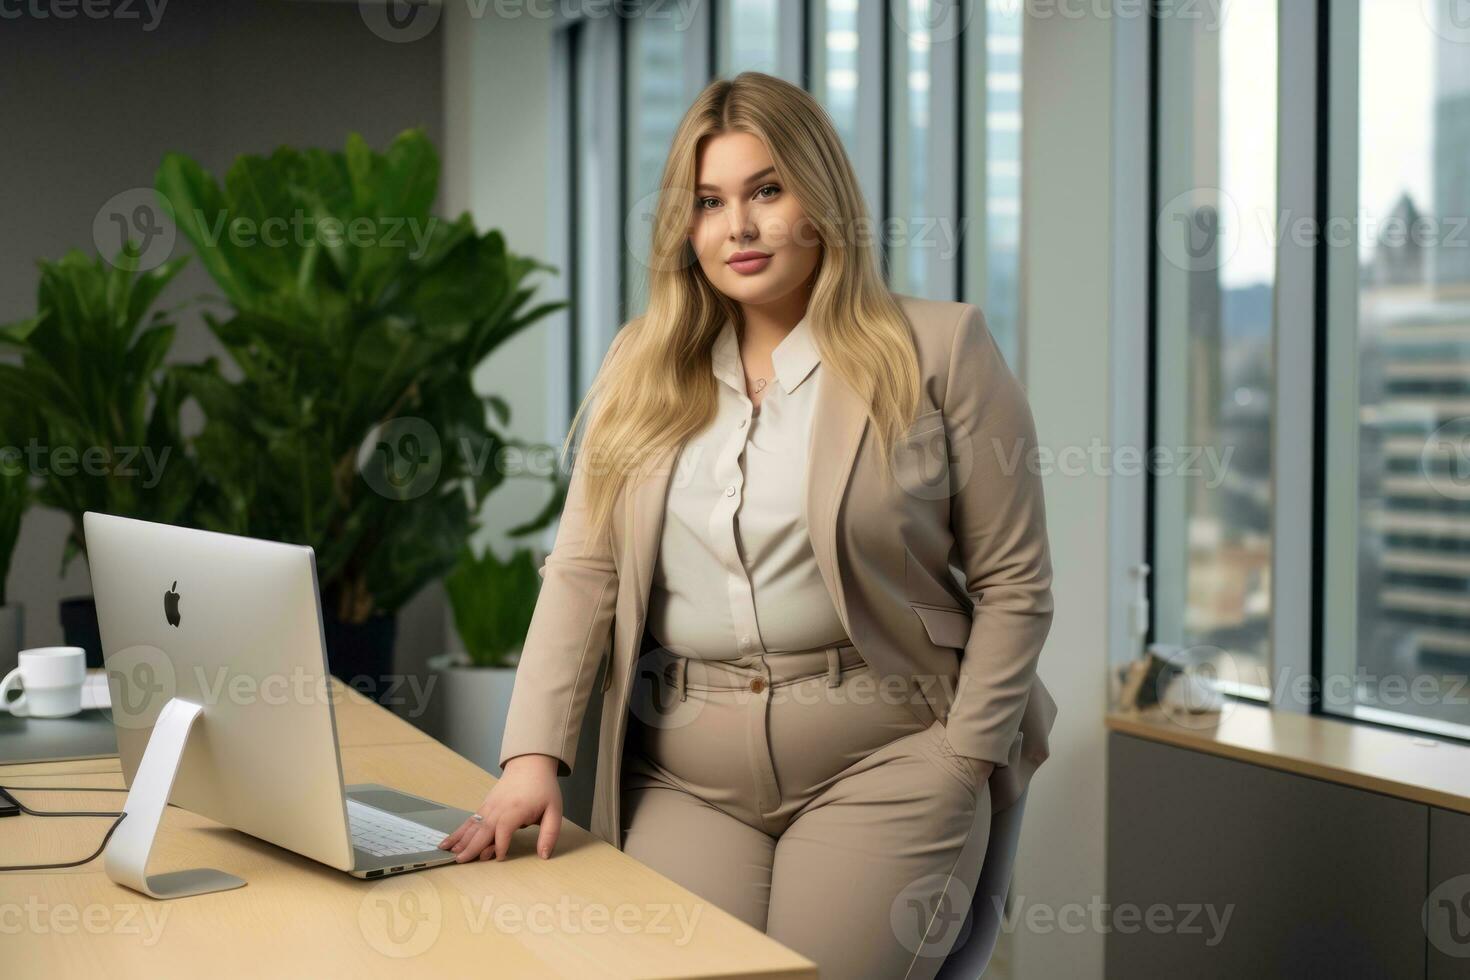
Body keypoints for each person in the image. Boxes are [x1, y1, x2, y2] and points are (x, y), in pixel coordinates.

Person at [438, 70, 1057, 979]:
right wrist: (532, 757)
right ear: (685, 228)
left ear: (820, 193)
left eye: (767, 189)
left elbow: (1016, 585)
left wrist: (963, 757)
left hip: (886, 754)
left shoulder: (939, 350)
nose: (740, 226)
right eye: (710, 202)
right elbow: (583, 571)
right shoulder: (642, 364)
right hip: (687, 772)